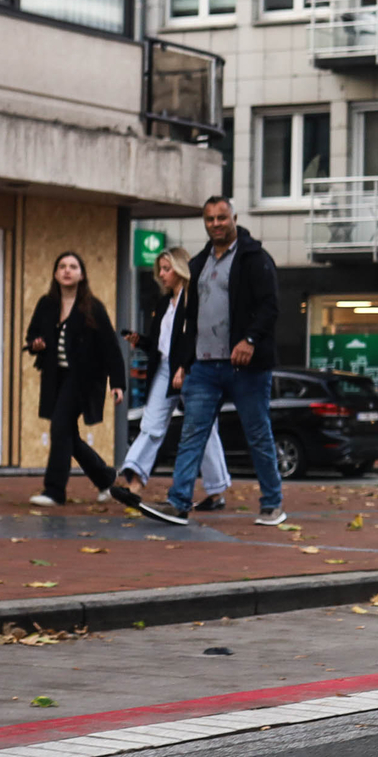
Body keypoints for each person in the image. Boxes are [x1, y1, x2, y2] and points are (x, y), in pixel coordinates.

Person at [141, 197, 284, 528]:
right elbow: (191, 319)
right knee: (191, 433)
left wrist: (249, 340)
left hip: (245, 366)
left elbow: (270, 307)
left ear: (234, 217)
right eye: (210, 219)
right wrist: (183, 362)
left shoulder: (255, 258)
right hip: (204, 367)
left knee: (258, 433)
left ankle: (272, 504)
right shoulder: (199, 262)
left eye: (222, 218)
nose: (216, 224)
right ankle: (178, 503)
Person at [116, 246, 231, 511]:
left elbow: (197, 336)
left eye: (167, 268)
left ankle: (216, 490)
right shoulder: (163, 303)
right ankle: (133, 482)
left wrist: (185, 366)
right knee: (151, 423)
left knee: (204, 430)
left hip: (193, 370)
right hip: (165, 368)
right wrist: (141, 341)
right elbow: (161, 343)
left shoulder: (196, 298)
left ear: (180, 268)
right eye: (160, 269)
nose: (162, 274)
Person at [24, 251, 133, 507]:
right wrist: (35, 344)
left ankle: (54, 491)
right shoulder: (46, 304)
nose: (67, 270)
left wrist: (117, 382)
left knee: (59, 427)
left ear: (81, 274)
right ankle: (105, 477)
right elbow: (32, 336)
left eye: (73, 266)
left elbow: (110, 346)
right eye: (62, 266)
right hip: (55, 377)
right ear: (55, 273)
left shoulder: (92, 307)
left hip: (84, 378)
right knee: (67, 435)